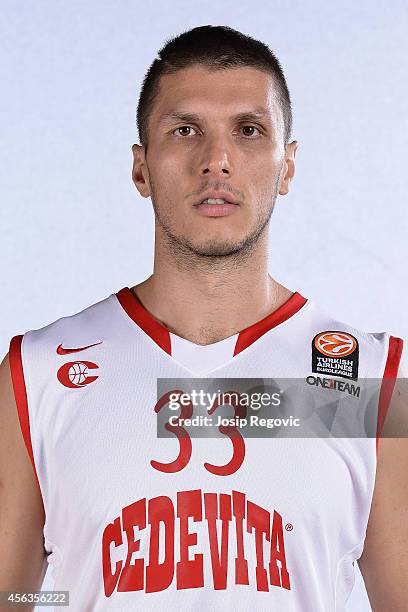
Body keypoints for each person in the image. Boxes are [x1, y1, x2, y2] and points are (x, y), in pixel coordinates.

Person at [1, 24, 407, 612]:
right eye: (185, 130)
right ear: (141, 168)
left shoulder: (368, 381)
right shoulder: (38, 375)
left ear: (286, 165)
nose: (216, 160)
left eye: (248, 131)